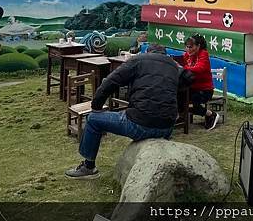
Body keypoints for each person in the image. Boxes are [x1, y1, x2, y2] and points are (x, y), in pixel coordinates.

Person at [65, 43, 179, 179]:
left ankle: (88, 167)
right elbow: (189, 78)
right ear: (164, 54)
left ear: (148, 52)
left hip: (140, 124)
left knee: (93, 119)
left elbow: (110, 82)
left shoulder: (139, 60)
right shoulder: (174, 66)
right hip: (166, 128)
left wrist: (96, 106)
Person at [182, 34, 219, 131]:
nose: (188, 49)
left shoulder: (203, 54)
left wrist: (184, 68)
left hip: (205, 90)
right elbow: (181, 62)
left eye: (191, 47)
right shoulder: (187, 55)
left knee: (192, 99)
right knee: (179, 96)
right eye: (187, 47)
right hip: (192, 88)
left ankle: (211, 114)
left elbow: (200, 68)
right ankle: (181, 117)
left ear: (198, 46)